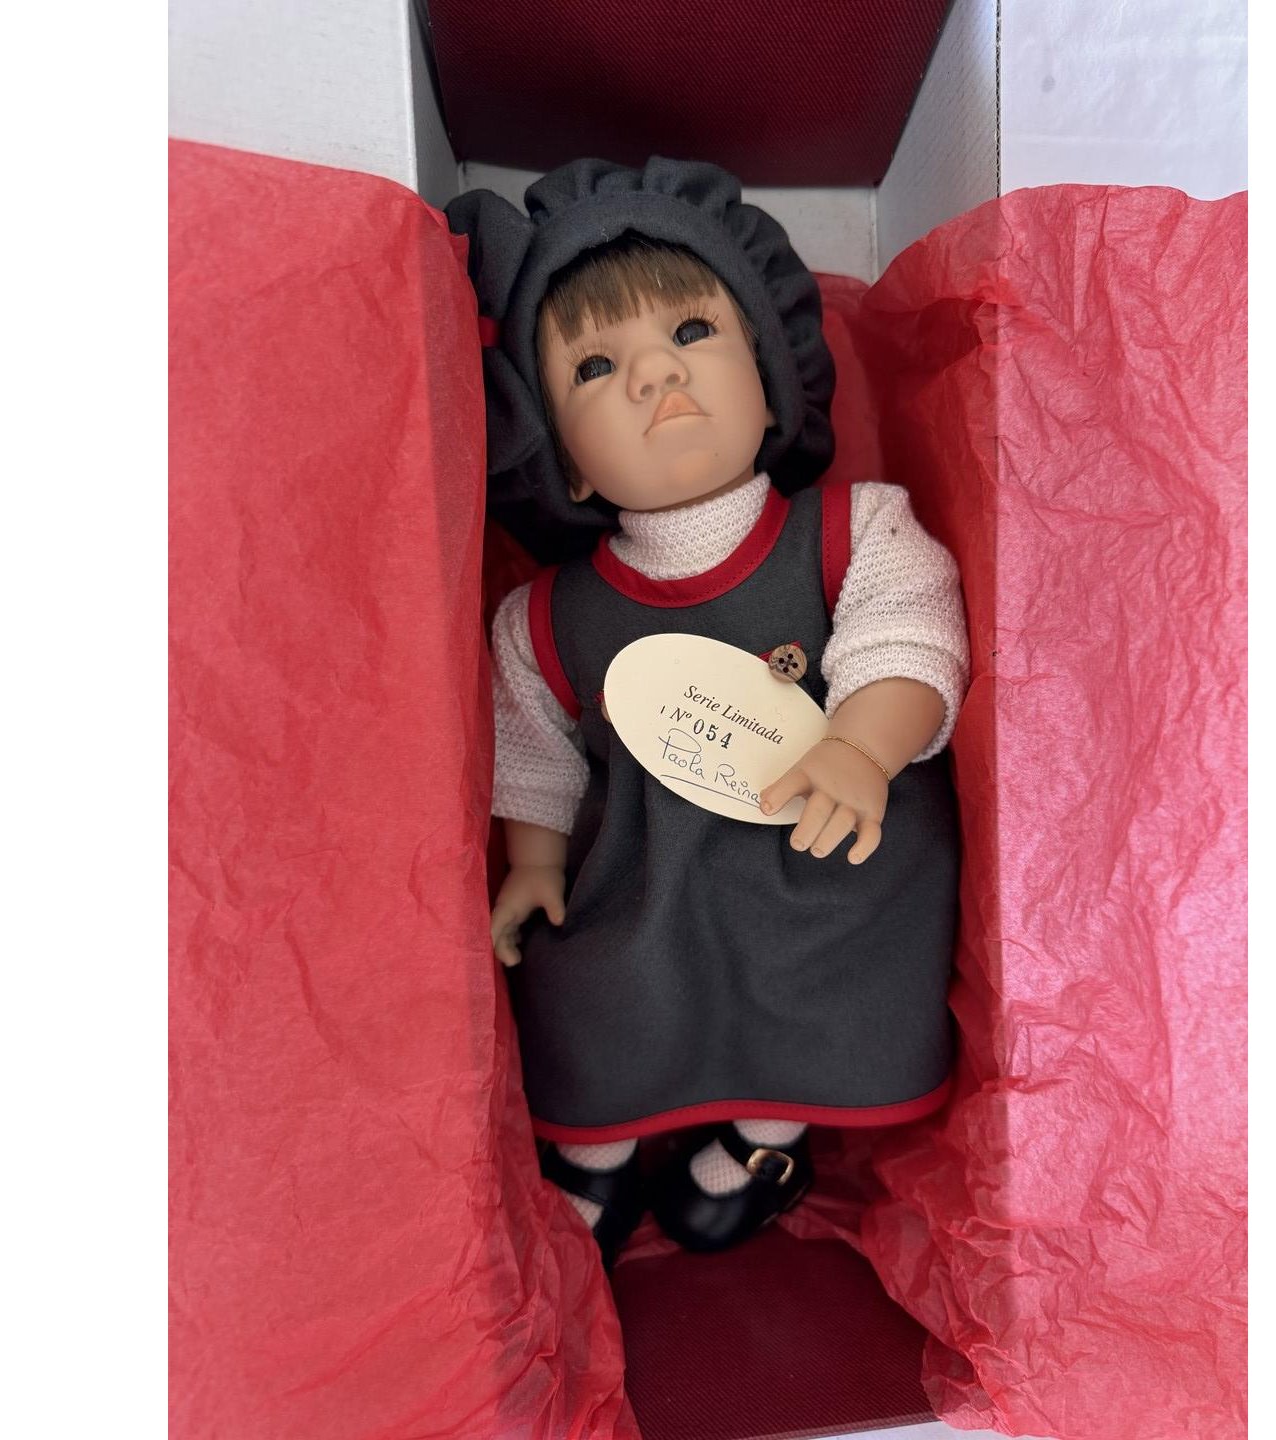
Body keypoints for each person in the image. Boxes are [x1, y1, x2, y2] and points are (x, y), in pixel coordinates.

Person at [446, 158, 968, 1266]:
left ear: (771, 382)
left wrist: (863, 743)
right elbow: (536, 753)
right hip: (644, 878)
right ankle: (592, 1154)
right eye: (596, 366)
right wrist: (533, 863)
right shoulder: (545, 617)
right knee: (592, 986)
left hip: (816, 859)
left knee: (815, 972)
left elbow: (911, 639)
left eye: (691, 332)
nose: (655, 375)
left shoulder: (857, 532)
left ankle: (767, 1138)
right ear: (564, 464)